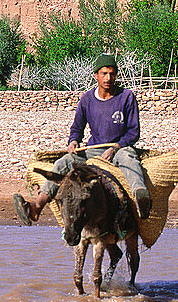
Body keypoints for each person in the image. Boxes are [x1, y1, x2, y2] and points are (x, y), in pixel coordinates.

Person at [13, 54, 152, 223]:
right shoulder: (87, 99)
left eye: (112, 74)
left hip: (119, 149)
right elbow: (77, 128)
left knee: (129, 159)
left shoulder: (126, 97)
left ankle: (141, 198)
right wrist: (73, 141)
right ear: (96, 75)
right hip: (92, 151)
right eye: (104, 73)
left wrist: (115, 148)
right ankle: (36, 207)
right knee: (63, 162)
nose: (108, 78)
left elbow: (133, 132)